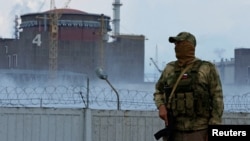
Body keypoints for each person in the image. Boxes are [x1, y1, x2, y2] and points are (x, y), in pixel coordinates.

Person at [153, 32, 224, 141]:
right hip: (174, 131)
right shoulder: (170, 68)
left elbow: (217, 98)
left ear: (190, 45)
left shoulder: (206, 68)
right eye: (175, 44)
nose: (176, 47)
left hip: (199, 130)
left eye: (180, 43)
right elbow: (158, 90)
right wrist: (161, 106)